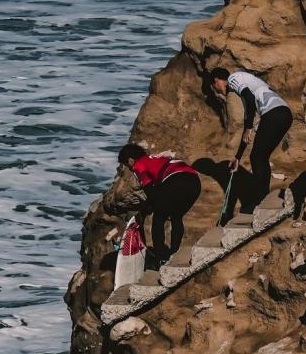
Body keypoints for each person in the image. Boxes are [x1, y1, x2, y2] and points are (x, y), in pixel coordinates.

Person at [209, 67, 293, 212]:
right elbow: (247, 134)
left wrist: (248, 127)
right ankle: (263, 201)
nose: (217, 91)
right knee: (260, 157)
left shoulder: (233, 79)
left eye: (215, 88)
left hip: (273, 114)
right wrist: (238, 157)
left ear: (217, 81)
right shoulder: (250, 83)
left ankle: (261, 203)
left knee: (257, 158)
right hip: (284, 114)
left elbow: (249, 99)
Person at [118, 143, 201, 263]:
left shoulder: (138, 165)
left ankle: (160, 256)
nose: (130, 169)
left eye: (127, 165)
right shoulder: (157, 158)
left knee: (159, 217)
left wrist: (145, 211)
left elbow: (150, 191)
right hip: (194, 182)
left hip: (175, 180)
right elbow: (158, 192)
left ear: (130, 160)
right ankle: (174, 253)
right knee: (176, 216)